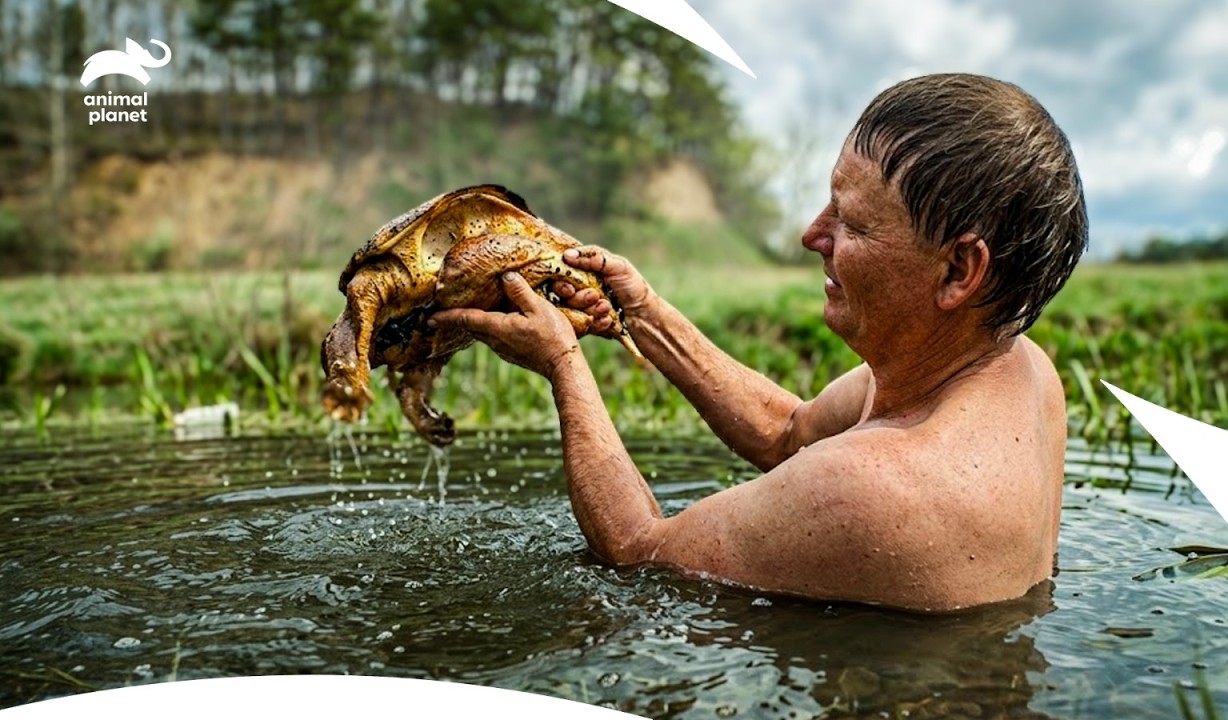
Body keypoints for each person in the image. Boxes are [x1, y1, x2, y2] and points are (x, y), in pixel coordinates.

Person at [430, 73, 1088, 612]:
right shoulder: (1022, 371)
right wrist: (644, 311)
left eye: (852, 222)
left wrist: (562, 363)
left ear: (957, 270)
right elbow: (790, 432)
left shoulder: (879, 488)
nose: (813, 234)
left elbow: (635, 551)